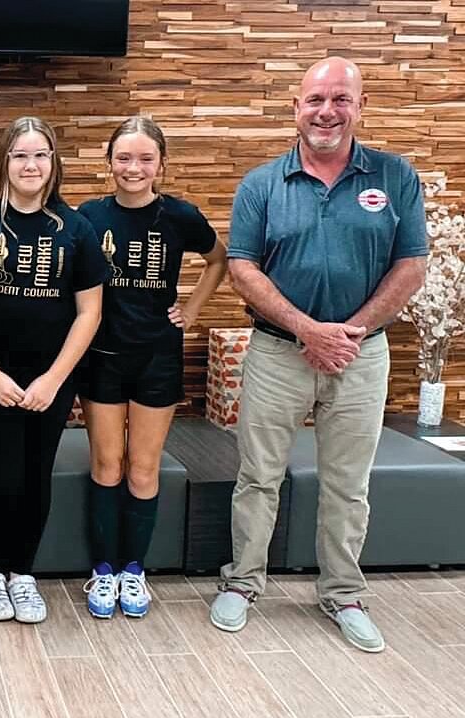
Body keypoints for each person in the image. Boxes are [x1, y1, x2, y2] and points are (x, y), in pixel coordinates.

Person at [210, 57, 427, 653]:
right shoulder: (262, 184)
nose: (326, 111)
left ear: (359, 106)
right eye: (315, 100)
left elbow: (412, 265)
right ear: (296, 107)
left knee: (348, 484)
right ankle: (244, 582)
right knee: (257, 477)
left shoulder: (395, 176)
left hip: (362, 356)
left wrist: (347, 333)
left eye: (340, 99)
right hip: (279, 354)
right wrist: (309, 330)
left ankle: (342, 593)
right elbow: (242, 269)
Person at [0, 116, 106, 623]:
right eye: (20, 155)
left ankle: (23, 573)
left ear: (53, 163)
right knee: (2, 476)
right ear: (4, 163)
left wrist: (54, 379)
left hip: (51, 380)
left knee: (36, 477)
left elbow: (89, 313)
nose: (30, 165)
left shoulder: (75, 228)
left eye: (40, 155)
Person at [78, 116, 226, 619]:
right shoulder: (89, 216)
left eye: (145, 158)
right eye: (124, 158)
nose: (133, 168)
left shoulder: (181, 216)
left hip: (157, 356)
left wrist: (194, 308)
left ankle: (132, 571)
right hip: (101, 357)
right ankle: (102, 571)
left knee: (143, 469)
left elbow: (219, 260)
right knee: (106, 465)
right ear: (109, 163)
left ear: (161, 163)